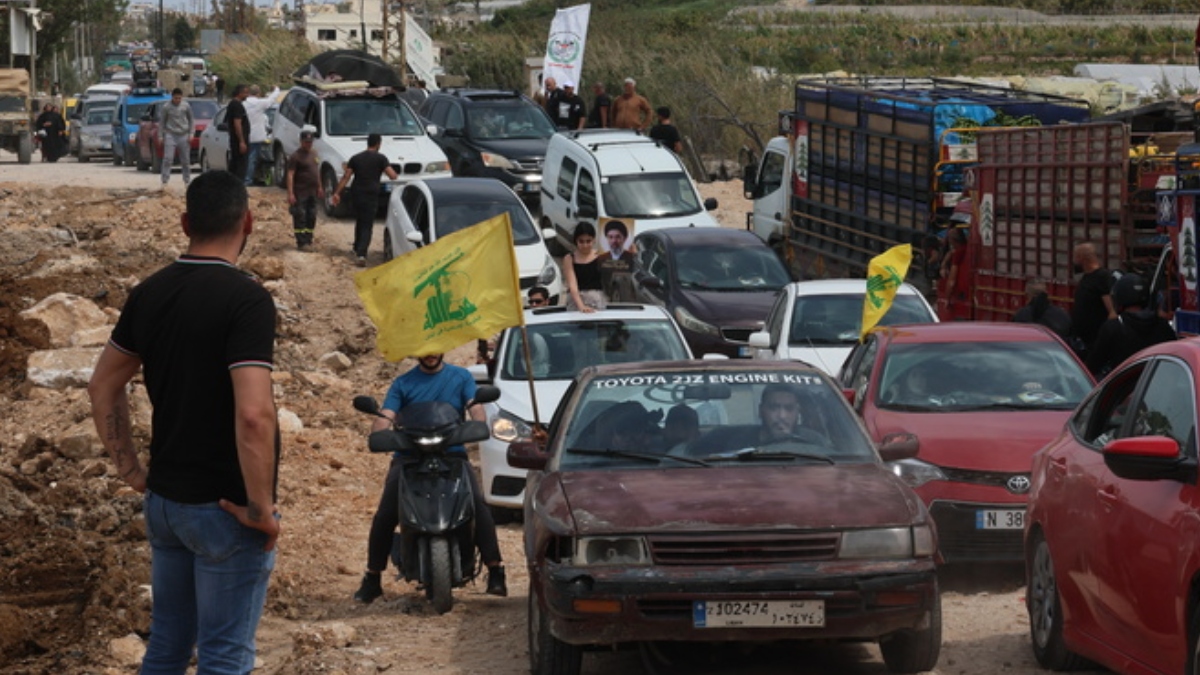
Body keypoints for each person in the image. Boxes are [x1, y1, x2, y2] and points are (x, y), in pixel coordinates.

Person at [87, 171, 280, 674]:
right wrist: (260, 508)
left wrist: (131, 471)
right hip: (225, 508)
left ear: (184, 223)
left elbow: (103, 384)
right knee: (224, 654)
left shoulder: (149, 292)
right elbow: (254, 415)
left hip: (166, 504)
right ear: (249, 222)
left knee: (169, 647)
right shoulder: (248, 300)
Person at [354, 353, 507, 603]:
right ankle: (372, 577)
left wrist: (478, 424)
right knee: (385, 512)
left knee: (478, 506)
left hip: (452, 453)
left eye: (435, 348)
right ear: (416, 352)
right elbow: (387, 415)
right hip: (409, 456)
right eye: (425, 350)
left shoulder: (461, 376)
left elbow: (475, 406)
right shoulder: (403, 383)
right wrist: (380, 430)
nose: (431, 354)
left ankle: (496, 570)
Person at [1086, 273, 1177, 377]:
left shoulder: (1113, 328)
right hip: (1157, 386)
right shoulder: (1163, 326)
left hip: (1124, 388)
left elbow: (1092, 366)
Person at [332, 133, 400, 266]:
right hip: (371, 195)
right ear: (378, 144)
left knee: (360, 220)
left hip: (356, 194)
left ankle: (356, 247)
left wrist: (337, 193)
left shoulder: (356, 158)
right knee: (367, 224)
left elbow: (346, 177)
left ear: (368, 143)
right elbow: (392, 176)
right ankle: (361, 254)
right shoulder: (381, 159)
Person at [1069, 241, 1116, 357]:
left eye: (1075, 258)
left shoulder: (1101, 277)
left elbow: (1112, 311)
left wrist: (1102, 340)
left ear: (1082, 258)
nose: (1074, 262)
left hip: (1094, 343)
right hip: (1083, 342)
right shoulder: (1086, 278)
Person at [286, 129, 324, 250]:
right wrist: (291, 193)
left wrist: (319, 186)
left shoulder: (314, 154)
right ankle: (301, 242)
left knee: (311, 215)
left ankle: (308, 239)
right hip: (300, 192)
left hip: (312, 191)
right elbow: (290, 174)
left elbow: (316, 172)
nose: (309, 144)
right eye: (306, 142)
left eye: (310, 142)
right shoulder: (296, 156)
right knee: (300, 216)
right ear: (301, 141)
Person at [562, 222, 605, 312]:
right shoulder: (569, 258)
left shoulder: (601, 256)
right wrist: (581, 306)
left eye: (588, 241)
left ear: (594, 240)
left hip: (596, 301)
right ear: (576, 241)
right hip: (575, 302)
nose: (585, 245)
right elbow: (572, 285)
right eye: (581, 241)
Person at [244, 84, 281, 187]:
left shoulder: (244, 104)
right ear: (258, 93)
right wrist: (276, 89)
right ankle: (248, 180)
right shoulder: (259, 104)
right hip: (257, 137)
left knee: (247, 159)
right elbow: (271, 99)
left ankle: (249, 178)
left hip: (245, 136)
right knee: (252, 159)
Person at [158, 88, 194, 189]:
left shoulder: (186, 106)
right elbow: (162, 122)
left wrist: (191, 133)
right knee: (168, 159)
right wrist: (160, 136)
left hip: (183, 134)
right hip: (171, 134)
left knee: (185, 160)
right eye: (175, 98)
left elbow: (191, 119)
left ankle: (187, 181)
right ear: (172, 97)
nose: (177, 100)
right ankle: (164, 181)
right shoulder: (166, 107)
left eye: (179, 98)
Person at [599, 220, 636, 303]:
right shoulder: (601, 258)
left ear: (625, 238)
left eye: (618, 237)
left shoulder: (631, 257)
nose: (614, 241)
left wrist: (636, 255)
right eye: (610, 237)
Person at [225, 84, 251, 184]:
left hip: (236, 140)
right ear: (239, 93)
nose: (247, 95)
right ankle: (238, 187)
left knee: (235, 165)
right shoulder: (236, 105)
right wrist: (241, 141)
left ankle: (232, 187)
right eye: (245, 93)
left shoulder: (233, 104)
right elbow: (237, 123)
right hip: (238, 141)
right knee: (240, 166)